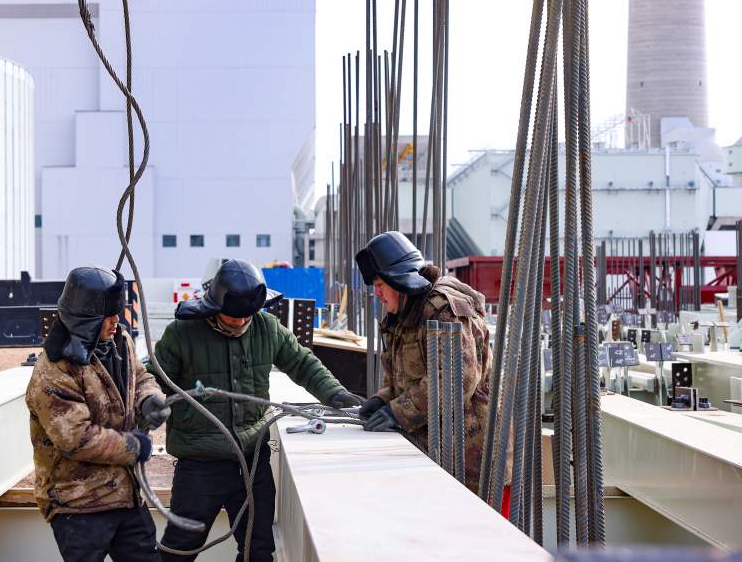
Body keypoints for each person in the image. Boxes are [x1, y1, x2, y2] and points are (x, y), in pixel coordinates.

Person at [149, 259, 362, 562]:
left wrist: (336, 393)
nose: (240, 323)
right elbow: (152, 377)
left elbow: (302, 363)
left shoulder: (267, 328)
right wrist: (149, 401)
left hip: (252, 463)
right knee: (178, 550)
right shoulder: (182, 334)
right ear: (214, 305)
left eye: (247, 317)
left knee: (258, 551)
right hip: (199, 465)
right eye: (233, 317)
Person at [354, 231, 511, 512]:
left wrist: (397, 412)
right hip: (439, 454)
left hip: (475, 464)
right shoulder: (401, 316)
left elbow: (456, 381)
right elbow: (405, 380)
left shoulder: (443, 311)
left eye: (379, 285)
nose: (376, 293)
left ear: (398, 280)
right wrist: (382, 400)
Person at [26, 266, 172, 562]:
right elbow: (77, 438)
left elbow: (140, 377)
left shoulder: (120, 342)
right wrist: (135, 447)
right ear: (84, 318)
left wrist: (149, 398)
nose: (116, 320)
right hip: (78, 503)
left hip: (126, 496)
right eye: (108, 315)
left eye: (117, 313)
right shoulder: (53, 372)